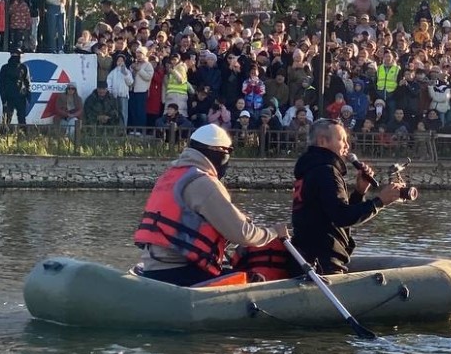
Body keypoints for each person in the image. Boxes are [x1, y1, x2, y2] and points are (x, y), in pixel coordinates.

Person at [134, 124, 289, 286]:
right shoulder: (204, 183)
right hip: (181, 272)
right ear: (220, 154)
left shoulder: (171, 176)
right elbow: (243, 234)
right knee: (255, 279)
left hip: (153, 269)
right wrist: (273, 232)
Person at [290, 119, 407, 275]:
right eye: (341, 140)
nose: (347, 146)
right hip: (322, 263)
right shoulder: (326, 171)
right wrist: (380, 201)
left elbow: (333, 218)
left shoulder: (310, 169)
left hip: (307, 258)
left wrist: (359, 192)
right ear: (322, 141)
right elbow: (342, 217)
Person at [0, 49, 31, 130]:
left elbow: (27, 83)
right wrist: (4, 99)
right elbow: (0, 84)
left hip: (16, 97)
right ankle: (7, 137)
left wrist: (28, 96)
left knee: (16, 120)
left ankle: (20, 138)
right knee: (9, 120)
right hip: (12, 97)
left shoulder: (22, 67)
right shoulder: (6, 68)